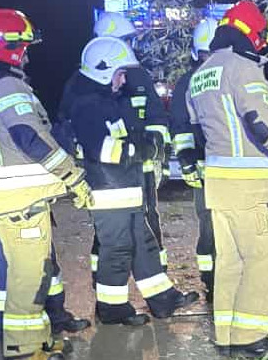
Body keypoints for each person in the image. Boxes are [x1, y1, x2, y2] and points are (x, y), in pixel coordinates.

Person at [0, 8, 92, 360]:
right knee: (28, 274)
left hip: (4, 198)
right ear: (9, 47)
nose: (27, 54)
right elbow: (29, 136)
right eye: (23, 46)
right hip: (21, 200)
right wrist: (71, 174)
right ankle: (22, 349)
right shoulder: (6, 84)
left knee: (29, 270)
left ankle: (34, 339)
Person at [179, 0, 268, 358]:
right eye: (261, 38)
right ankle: (251, 338)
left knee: (231, 260)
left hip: (218, 183)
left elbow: (198, 126)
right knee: (264, 255)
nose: (262, 46)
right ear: (252, 35)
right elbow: (261, 123)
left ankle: (227, 335)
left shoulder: (201, 73)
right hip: (249, 183)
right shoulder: (244, 70)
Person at [63, 35, 199, 325]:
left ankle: (163, 299)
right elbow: (103, 149)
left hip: (124, 186)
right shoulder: (88, 104)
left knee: (144, 243)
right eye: (120, 73)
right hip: (108, 189)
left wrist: (143, 141)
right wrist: (142, 149)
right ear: (104, 70)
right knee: (117, 249)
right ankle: (112, 310)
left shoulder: (104, 101)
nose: (123, 80)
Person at [58, 10, 172, 275]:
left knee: (147, 223)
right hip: (106, 171)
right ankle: (107, 284)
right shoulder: (82, 84)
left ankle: (158, 281)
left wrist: (157, 154)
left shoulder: (137, 75)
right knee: (109, 233)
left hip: (139, 163)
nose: (130, 47)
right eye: (126, 40)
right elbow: (72, 128)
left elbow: (156, 115)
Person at [170, 17, 218, 299]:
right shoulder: (187, 83)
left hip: (230, 167)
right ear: (196, 54)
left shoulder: (230, 77)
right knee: (209, 226)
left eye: (213, 52)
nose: (209, 58)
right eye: (205, 53)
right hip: (204, 166)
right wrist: (187, 160)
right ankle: (210, 280)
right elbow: (179, 124)